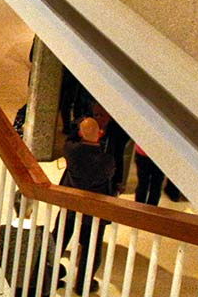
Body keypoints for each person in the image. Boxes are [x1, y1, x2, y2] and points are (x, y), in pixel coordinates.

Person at [59, 117, 114, 295]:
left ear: (80, 133)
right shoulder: (107, 161)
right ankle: (83, 283)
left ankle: (46, 270)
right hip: (95, 210)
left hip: (71, 203)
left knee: (59, 238)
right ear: (100, 134)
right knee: (91, 248)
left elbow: (69, 140)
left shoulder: (71, 151)